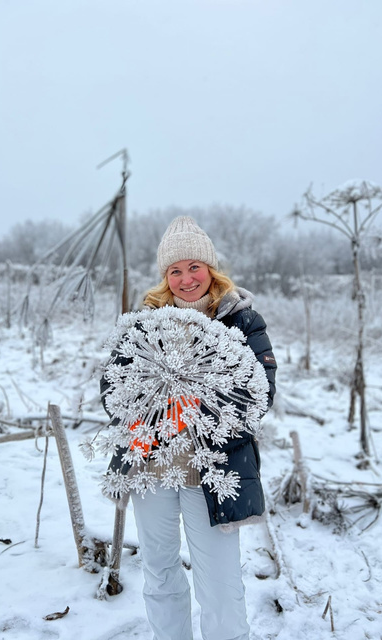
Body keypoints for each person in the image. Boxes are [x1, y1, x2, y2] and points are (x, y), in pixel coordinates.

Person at [101, 216, 277, 640]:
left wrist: (192, 408)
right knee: (160, 574)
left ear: (211, 270)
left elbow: (259, 394)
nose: (185, 279)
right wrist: (152, 408)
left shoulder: (241, 321)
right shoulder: (145, 323)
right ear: (165, 277)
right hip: (151, 465)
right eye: (174, 271)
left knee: (218, 583)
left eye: (194, 267)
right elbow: (112, 388)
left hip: (213, 470)